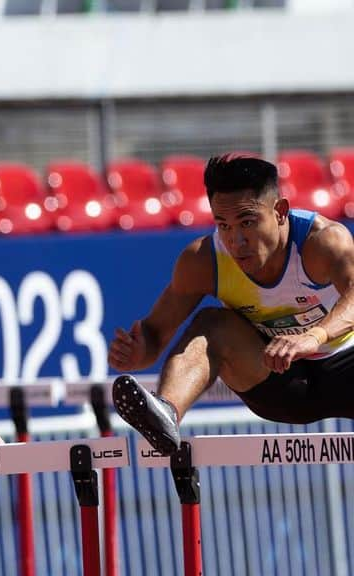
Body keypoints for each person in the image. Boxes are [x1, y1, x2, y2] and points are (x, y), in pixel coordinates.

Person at [109, 153, 354, 455]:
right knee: (212, 324)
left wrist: (312, 337)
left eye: (247, 222)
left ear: (280, 211)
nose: (236, 241)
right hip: (280, 380)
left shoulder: (322, 242)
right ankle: (166, 414)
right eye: (223, 225)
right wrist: (138, 351)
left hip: (346, 367)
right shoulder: (203, 261)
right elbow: (154, 334)